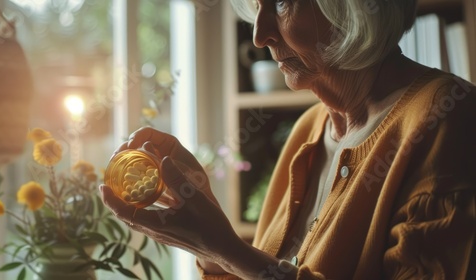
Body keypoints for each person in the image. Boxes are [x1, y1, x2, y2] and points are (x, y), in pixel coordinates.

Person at [100, 0, 476, 279]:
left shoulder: (448, 118)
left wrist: (225, 248)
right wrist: (211, 249)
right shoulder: (309, 129)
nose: (259, 35)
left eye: (281, 2)